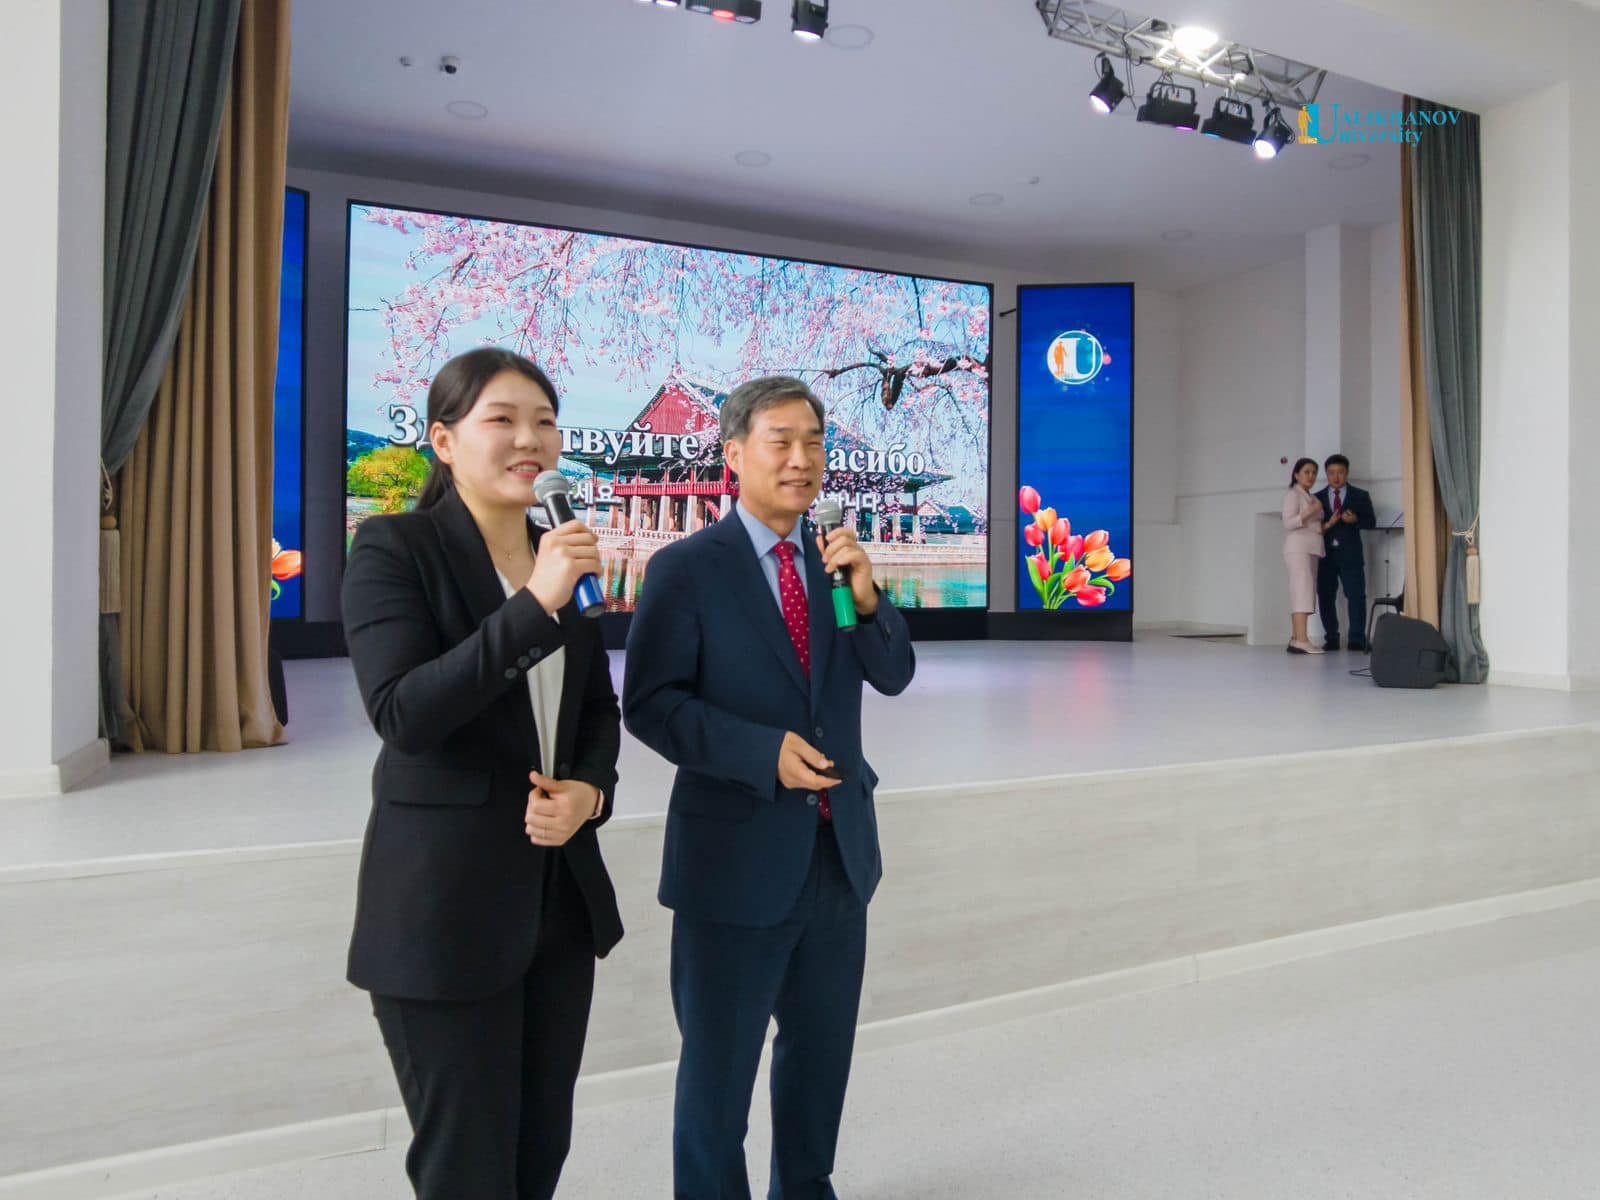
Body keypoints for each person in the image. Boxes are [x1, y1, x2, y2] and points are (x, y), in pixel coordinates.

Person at [341, 347, 624, 1200]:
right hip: (445, 911)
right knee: (468, 1167)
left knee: (539, 1152)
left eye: (545, 422)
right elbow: (405, 713)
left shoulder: (560, 555)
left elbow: (595, 713)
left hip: (556, 906)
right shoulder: (394, 548)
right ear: (444, 440)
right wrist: (535, 603)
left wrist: (590, 793)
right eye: (502, 419)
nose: (529, 439)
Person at [623, 376, 916, 1199]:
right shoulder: (686, 569)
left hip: (837, 854)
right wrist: (760, 753)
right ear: (734, 454)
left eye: (814, 441)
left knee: (820, 1063)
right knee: (718, 1081)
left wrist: (869, 597)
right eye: (781, 440)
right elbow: (650, 705)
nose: (802, 458)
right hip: (733, 862)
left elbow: (893, 673)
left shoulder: (836, 565)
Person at [1315, 454, 1378, 651]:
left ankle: (1357, 639)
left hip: (1351, 555)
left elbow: (1371, 522)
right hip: (1325, 556)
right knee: (1325, 597)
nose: (1336, 477)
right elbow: (1312, 527)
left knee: (1356, 596)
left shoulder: (1360, 495)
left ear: (1347, 473)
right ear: (1326, 474)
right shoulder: (1316, 498)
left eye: (1340, 472)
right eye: (1331, 473)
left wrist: (1355, 520)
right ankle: (1331, 638)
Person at [1282, 457, 1326, 655]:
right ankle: (1301, 639)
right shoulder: (1293, 495)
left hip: (1311, 549)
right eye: (1306, 472)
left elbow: (1316, 526)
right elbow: (1289, 523)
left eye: (1314, 473)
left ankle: (1296, 638)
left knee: (1306, 592)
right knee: (1302, 592)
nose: (1311, 476)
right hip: (1299, 548)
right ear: (1296, 475)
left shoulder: (1312, 497)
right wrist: (1310, 511)